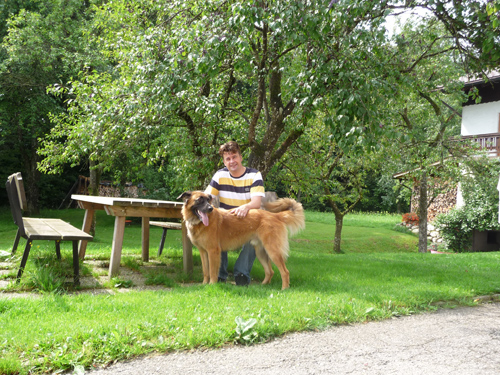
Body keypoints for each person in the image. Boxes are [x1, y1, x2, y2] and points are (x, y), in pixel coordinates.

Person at [204, 141, 265, 286]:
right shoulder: (220, 175)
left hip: (248, 221)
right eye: (228, 159)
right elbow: (207, 197)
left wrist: (246, 207)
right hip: (227, 222)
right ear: (224, 162)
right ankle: (219, 276)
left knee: (255, 237)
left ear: (241, 157)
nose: (232, 161)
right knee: (215, 235)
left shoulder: (254, 175)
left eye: (234, 157)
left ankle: (241, 274)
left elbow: (256, 203)